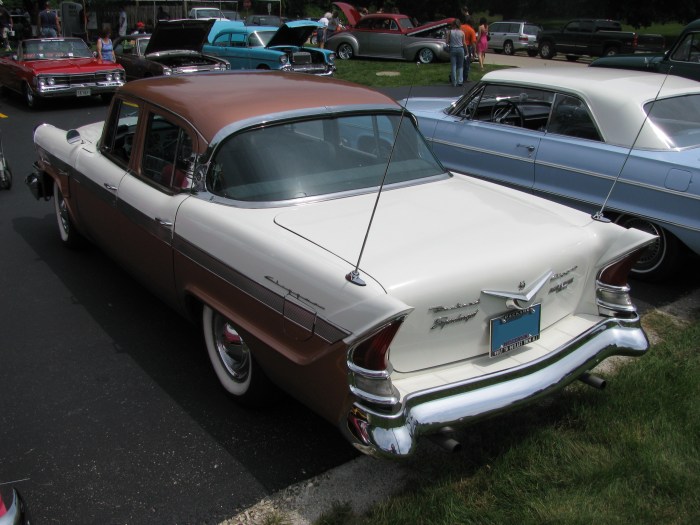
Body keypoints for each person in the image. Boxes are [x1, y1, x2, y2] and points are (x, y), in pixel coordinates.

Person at [446, 19, 466, 87]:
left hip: (453, 48)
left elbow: (447, 41)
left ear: (453, 25)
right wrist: (467, 51)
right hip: (460, 48)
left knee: (453, 65)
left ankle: (454, 82)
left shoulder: (450, 32)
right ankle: (460, 81)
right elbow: (464, 43)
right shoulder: (462, 32)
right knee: (460, 65)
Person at [461, 17, 477, 81]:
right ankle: (465, 78)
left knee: (458, 63)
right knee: (466, 63)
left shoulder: (460, 27)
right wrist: (474, 53)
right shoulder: (471, 30)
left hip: (458, 46)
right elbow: (473, 43)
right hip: (466, 47)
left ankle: (454, 76)